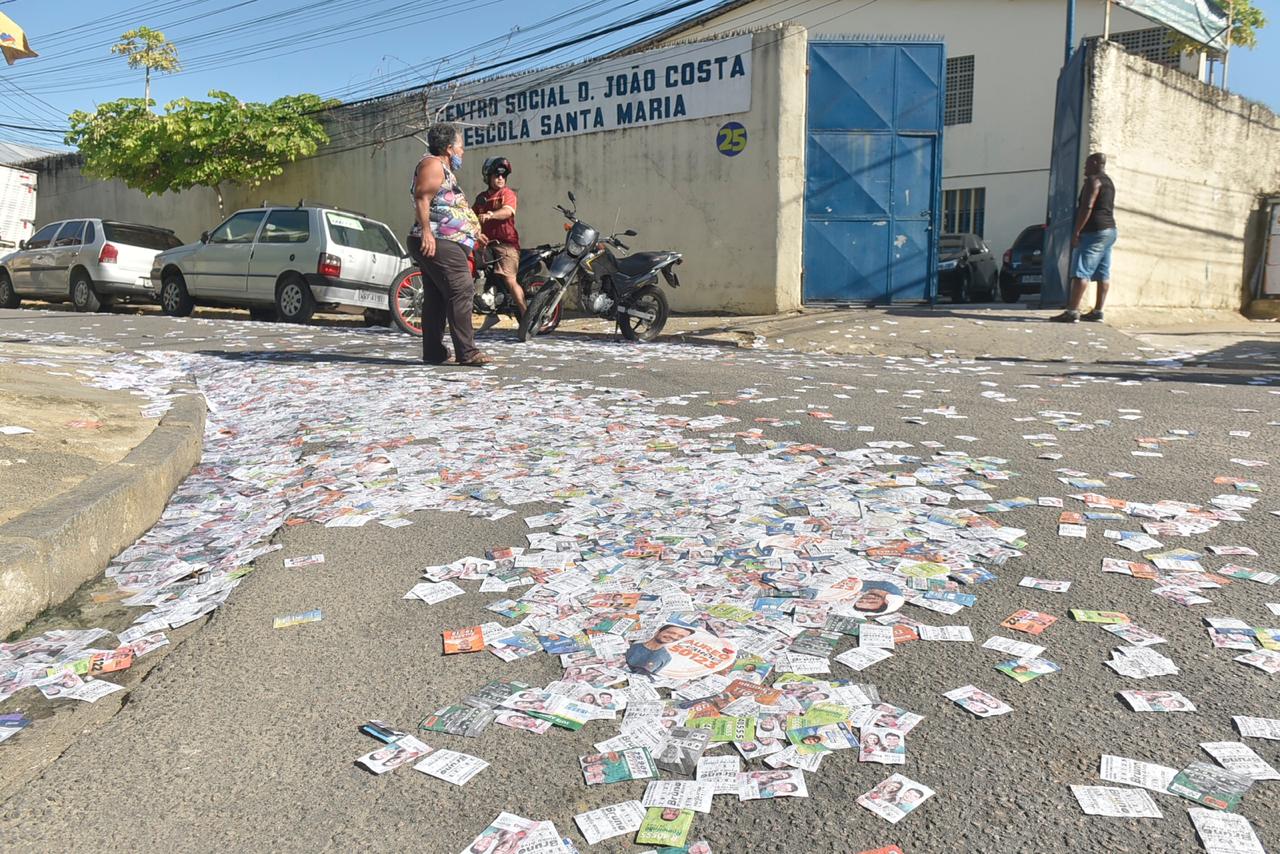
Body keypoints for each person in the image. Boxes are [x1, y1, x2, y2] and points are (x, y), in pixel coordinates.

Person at [408, 122, 490, 366]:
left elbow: (448, 205)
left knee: (437, 297)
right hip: (438, 239)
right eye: (460, 147)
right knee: (462, 289)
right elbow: (422, 197)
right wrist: (427, 233)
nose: (462, 152)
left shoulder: (443, 168)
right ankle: (467, 352)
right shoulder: (432, 164)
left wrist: (474, 231)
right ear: (448, 148)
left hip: (444, 239)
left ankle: (434, 352)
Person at [1051, 152, 1117, 323]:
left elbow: (1087, 206)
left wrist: (1077, 231)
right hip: (1109, 231)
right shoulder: (1109, 182)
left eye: (1087, 164)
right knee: (1103, 272)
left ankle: (1072, 311)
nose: (1084, 167)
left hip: (1093, 232)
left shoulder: (1093, 181)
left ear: (1096, 163)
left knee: (1081, 271)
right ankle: (1098, 311)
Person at [473, 156, 525, 317]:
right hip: (486, 245)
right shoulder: (481, 198)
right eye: (497, 175)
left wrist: (491, 215)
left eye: (503, 175)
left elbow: (508, 211)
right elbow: (471, 217)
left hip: (506, 245)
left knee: (510, 280)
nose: (501, 178)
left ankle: (526, 315)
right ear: (488, 177)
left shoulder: (507, 193)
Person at [625, 624, 695, 675]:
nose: (674, 637)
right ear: (658, 631)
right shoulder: (632, 645)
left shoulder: (665, 657)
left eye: (680, 636)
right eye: (671, 632)